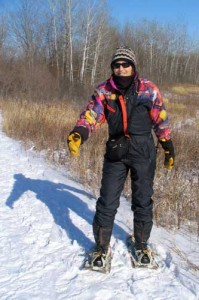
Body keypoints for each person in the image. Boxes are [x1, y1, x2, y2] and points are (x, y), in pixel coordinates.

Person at [67, 46, 175, 269]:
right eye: (116, 65)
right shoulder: (104, 91)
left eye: (125, 64)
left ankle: (141, 243)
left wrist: (167, 146)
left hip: (143, 151)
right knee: (107, 201)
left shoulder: (149, 90)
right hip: (116, 151)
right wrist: (80, 133)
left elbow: (160, 118)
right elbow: (92, 115)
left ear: (133, 67)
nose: (121, 68)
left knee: (143, 199)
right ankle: (100, 248)